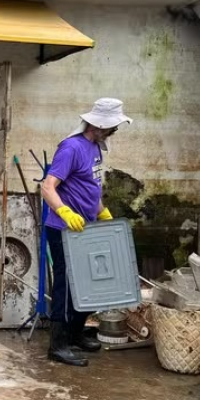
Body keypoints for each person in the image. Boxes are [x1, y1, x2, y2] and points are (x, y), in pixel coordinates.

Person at [40, 97, 132, 367]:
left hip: (87, 228)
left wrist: (102, 211)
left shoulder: (95, 148)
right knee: (67, 286)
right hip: (65, 229)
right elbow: (48, 187)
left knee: (89, 284)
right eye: (113, 126)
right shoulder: (71, 148)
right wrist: (64, 212)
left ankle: (76, 334)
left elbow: (91, 187)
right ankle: (58, 344)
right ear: (99, 125)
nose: (115, 130)